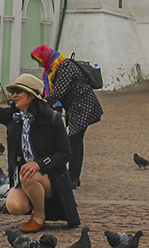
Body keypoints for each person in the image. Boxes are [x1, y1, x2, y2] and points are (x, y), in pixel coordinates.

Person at [0, 54, 79, 233]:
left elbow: (66, 153)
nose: (15, 95)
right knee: (13, 206)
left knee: (28, 174)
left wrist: (39, 164)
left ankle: (39, 217)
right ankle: (35, 203)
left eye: (19, 91)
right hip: (25, 178)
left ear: (32, 96)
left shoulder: (52, 119)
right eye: (14, 92)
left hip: (51, 179)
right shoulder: (13, 117)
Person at [30, 45, 103, 189]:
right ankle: (73, 175)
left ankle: (73, 177)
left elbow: (60, 91)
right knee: (75, 140)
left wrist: (40, 104)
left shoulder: (64, 67)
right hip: (75, 107)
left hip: (83, 106)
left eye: (39, 60)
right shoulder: (55, 68)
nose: (39, 64)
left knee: (74, 141)